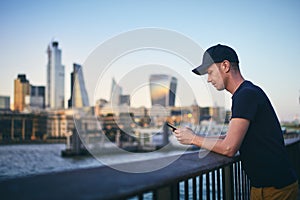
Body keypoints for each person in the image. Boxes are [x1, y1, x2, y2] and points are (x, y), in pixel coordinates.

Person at [174, 44, 298, 200]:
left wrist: (192, 139)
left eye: (210, 72)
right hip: (267, 187)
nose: (208, 79)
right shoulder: (247, 92)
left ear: (225, 66)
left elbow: (229, 147)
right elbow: (229, 137)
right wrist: (195, 136)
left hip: (275, 190)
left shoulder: (245, 95)